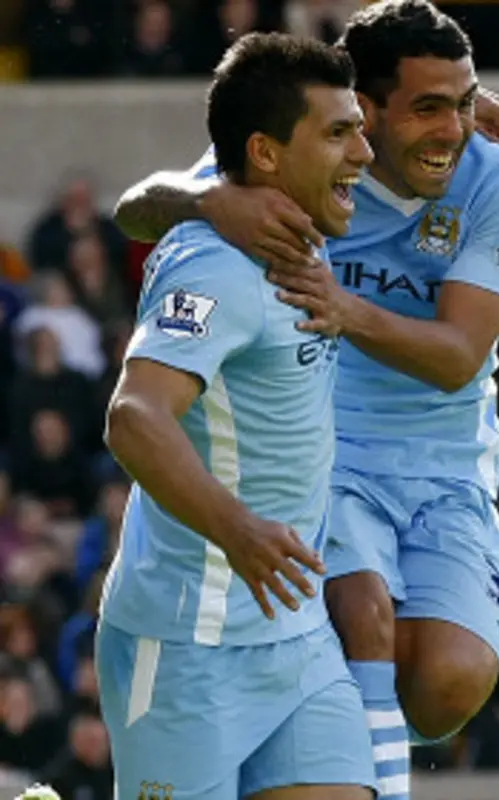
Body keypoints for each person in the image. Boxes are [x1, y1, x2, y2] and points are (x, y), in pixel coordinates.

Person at [113, 0, 499, 774]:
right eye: (427, 109)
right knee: (359, 611)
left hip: (446, 464)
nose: (453, 129)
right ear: (365, 109)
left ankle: (345, 727)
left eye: (465, 102)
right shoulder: (298, 162)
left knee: (448, 682)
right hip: (332, 455)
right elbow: (133, 209)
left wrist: (344, 308)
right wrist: (204, 197)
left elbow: (456, 357)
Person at [96, 32, 376, 800]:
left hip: (296, 637)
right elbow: (134, 418)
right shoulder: (214, 264)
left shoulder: (290, 212)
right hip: (188, 647)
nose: (364, 154)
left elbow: (136, 203)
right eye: (340, 133)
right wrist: (241, 531)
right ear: (266, 154)